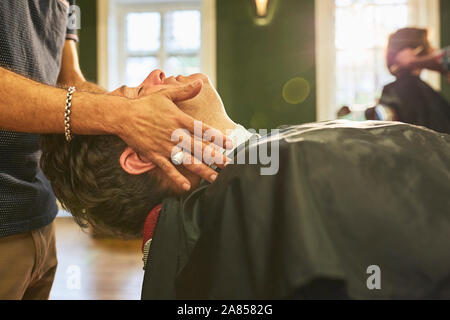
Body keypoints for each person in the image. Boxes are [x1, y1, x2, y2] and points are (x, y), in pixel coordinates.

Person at [40, 69, 450, 299]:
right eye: (137, 95)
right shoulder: (275, 180)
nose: (156, 74)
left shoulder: (268, 175)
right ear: (142, 156)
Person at [0, 0, 230, 300]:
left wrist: (123, 108)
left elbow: (71, 80)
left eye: (135, 90)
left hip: (39, 217)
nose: (158, 73)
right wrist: (121, 112)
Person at [376, 28, 450, 134]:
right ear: (418, 51)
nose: (433, 50)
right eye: (429, 45)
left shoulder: (392, 90)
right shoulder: (413, 91)